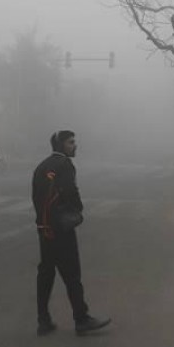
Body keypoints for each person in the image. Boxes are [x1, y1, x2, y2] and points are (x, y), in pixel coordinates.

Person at [32, 130, 110, 336]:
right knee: (72, 275)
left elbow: (35, 197)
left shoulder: (42, 166)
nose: (75, 146)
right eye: (70, 142)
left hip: (44, 229)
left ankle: (43, 320)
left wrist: (43, 223)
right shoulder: (64, 165)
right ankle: (82, 319)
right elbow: (71, 193)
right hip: (61, 230)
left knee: (46, 275)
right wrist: (77, 209)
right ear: (60, 145)